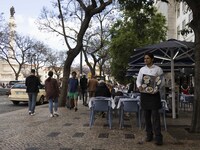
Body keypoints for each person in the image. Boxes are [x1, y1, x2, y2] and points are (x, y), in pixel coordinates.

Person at [136, 52, 163, 145]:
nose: (145, 60)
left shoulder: (158, 69)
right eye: (144, 59)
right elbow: (138, 80)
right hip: (144, 95)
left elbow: (161, 81)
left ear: (152, 59)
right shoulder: (142, 69)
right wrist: (139, 86)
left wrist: (157, 89)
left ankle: (158, 138)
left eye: (147, 58)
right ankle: (149, 135)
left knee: (155, 117)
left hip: (154, 95)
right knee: (146, 117)